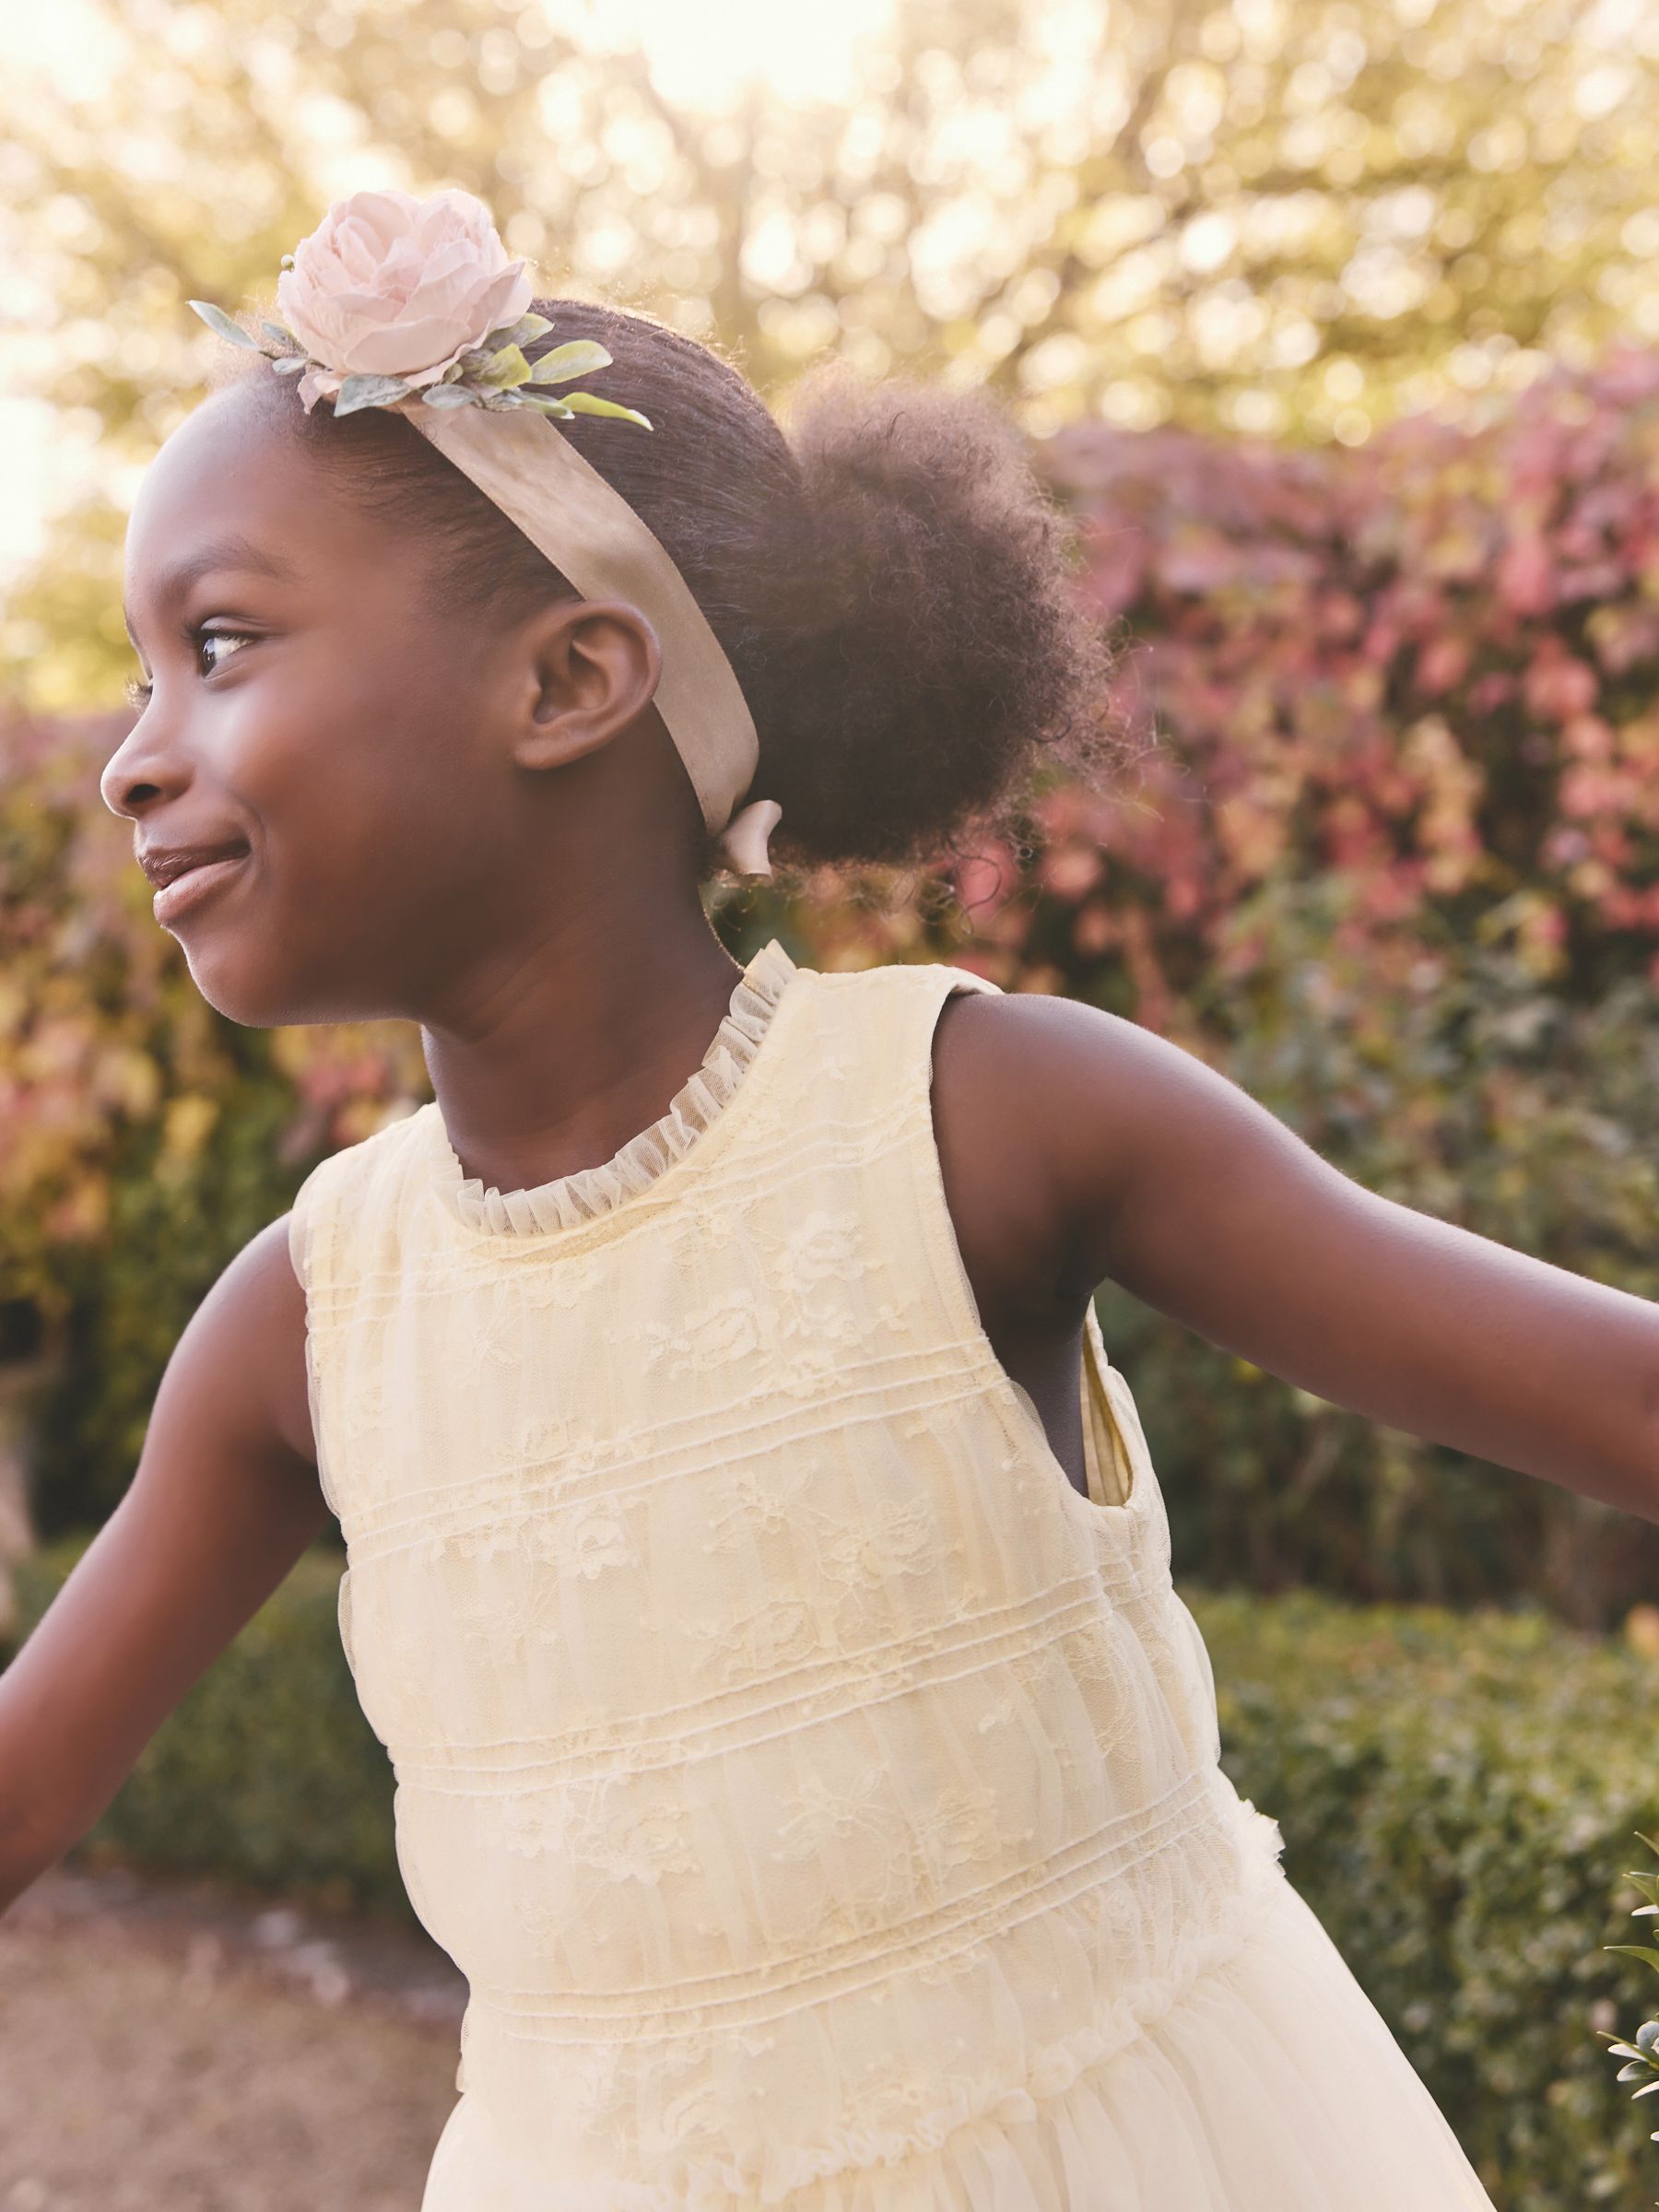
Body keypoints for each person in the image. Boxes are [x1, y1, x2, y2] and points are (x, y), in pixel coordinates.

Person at [1, 185, 1653, 2212]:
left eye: (222, 643)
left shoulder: (984, 1121)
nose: (130, 761)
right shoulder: (304, 1323)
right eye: (145, 674)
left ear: (568, 680)